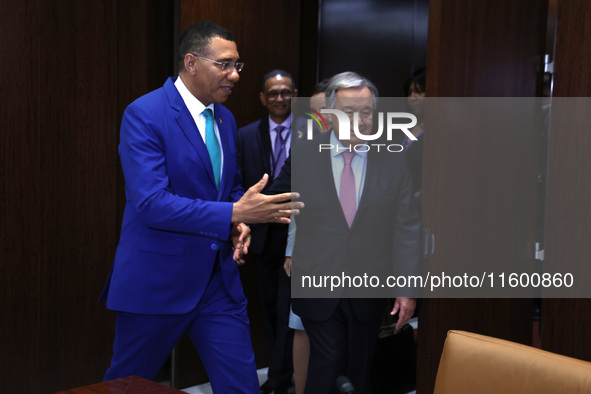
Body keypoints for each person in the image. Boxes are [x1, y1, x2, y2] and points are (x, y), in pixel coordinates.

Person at [99, 21, 302, 393]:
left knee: (242, 387)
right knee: (126, 387)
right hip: (156, 280)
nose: (235, 75)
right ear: (191, 62)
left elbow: (227, 187)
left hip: (217, 282)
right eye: (224, 64)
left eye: (238, 65)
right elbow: (151, 204)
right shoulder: (144, 114)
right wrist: (234, 213)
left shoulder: (224, 118)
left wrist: (238, 218)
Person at [274, 72, 421, 393]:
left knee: (358, 367)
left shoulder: (393, 161)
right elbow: (274, 202)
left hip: (368, 288)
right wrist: (240, 218)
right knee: (328, 358)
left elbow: (406, 226)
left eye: (366, 112)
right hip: (317, 282)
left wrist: (407, 288)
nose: (358, 120)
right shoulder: (305, 155)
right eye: (348, 112)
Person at [236, 70, 298, 394]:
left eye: (285, 92)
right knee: (271, 311)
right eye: (273, 93)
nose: (279, 98)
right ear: (263, 97)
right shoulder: (245, 135)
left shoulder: (311, 133)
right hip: (261, 238)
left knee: (291, 313)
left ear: (294, 95)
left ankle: (281, 378)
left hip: (295, 236)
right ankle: (280, 373)